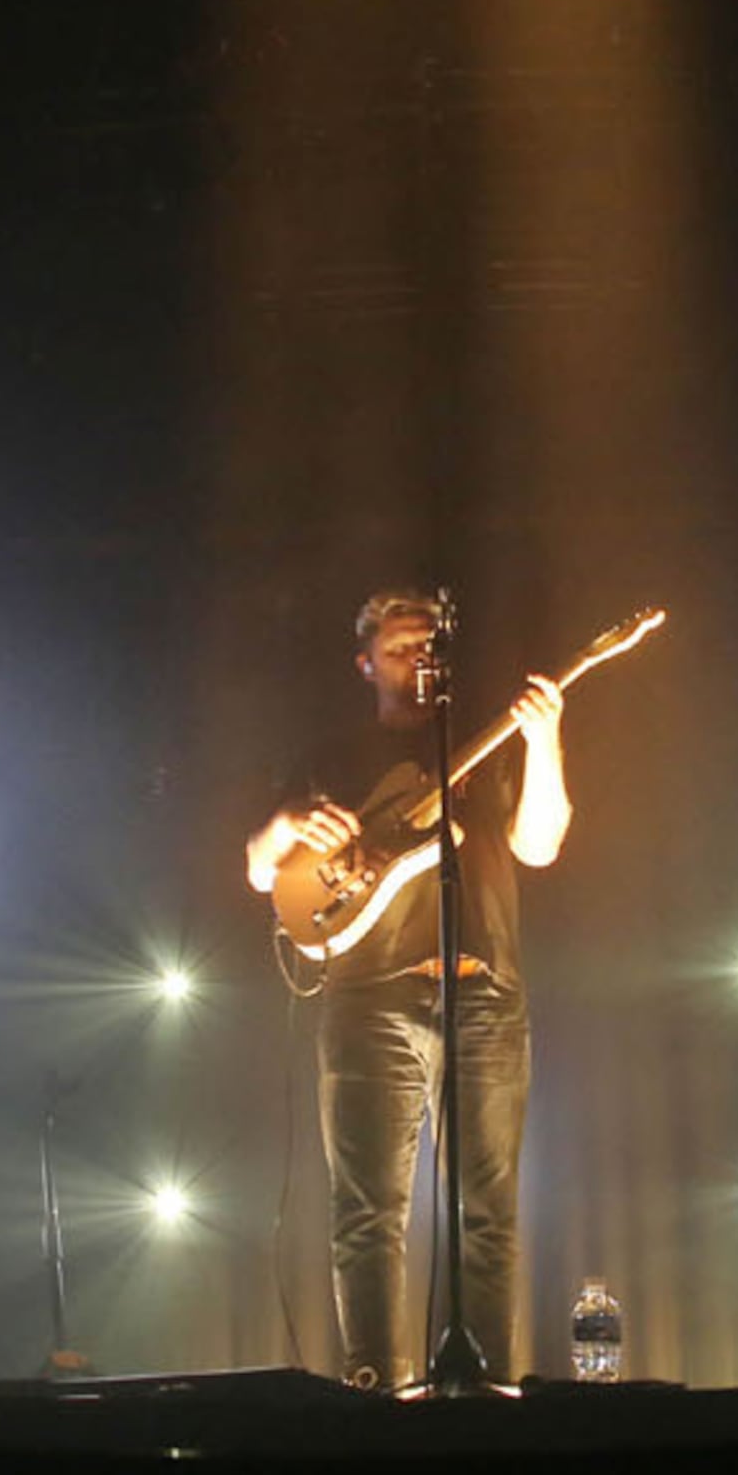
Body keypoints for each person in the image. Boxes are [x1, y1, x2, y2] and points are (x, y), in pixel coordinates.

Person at [242, 591, 569, 1392]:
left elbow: (541, 844)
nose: (418, 660)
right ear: (366, 663)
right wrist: (289, 823)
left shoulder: (481, 741)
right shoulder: (331, 757)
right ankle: (376, 1390)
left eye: (429, 648)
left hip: (484, 990)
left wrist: (545, 738)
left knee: (487, 1213)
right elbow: (259, 868)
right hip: (366, 995)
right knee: (368, 1211)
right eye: (399, 649)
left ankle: (488, 1390)